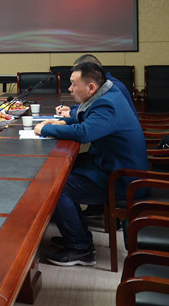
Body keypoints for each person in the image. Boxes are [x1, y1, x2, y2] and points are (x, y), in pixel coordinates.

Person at [34, 61, 147, 266]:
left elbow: (85, 132)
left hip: (122, 178)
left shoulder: (107, 103)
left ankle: (81, 248)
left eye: (73, 84)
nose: (69, 89)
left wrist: (45, 129)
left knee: (57, 187)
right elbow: (86, 117)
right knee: (61, 171)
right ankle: (77, 235)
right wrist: (62, 121)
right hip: (112, 164)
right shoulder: (107, 94)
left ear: (91, 87)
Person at [55, 54, 138, 118]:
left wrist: (71, 113)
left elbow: (97, 110)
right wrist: (72, 109)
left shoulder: (112, 87)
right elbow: (92, 106)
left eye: (79, 70)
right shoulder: (104, 83)